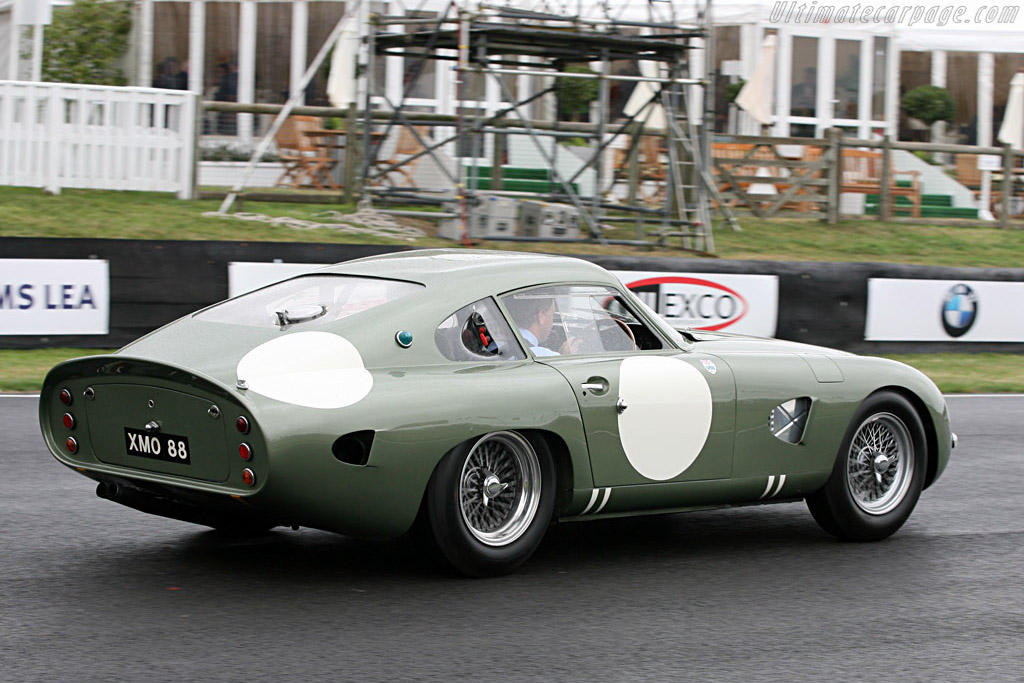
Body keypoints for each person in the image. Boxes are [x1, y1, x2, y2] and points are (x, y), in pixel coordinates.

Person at [505, 295, 580, 356]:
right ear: (541, 316)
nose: (552, 323)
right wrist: (564, 357)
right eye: (552, 314)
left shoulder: (497, 347)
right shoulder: (543, 357)